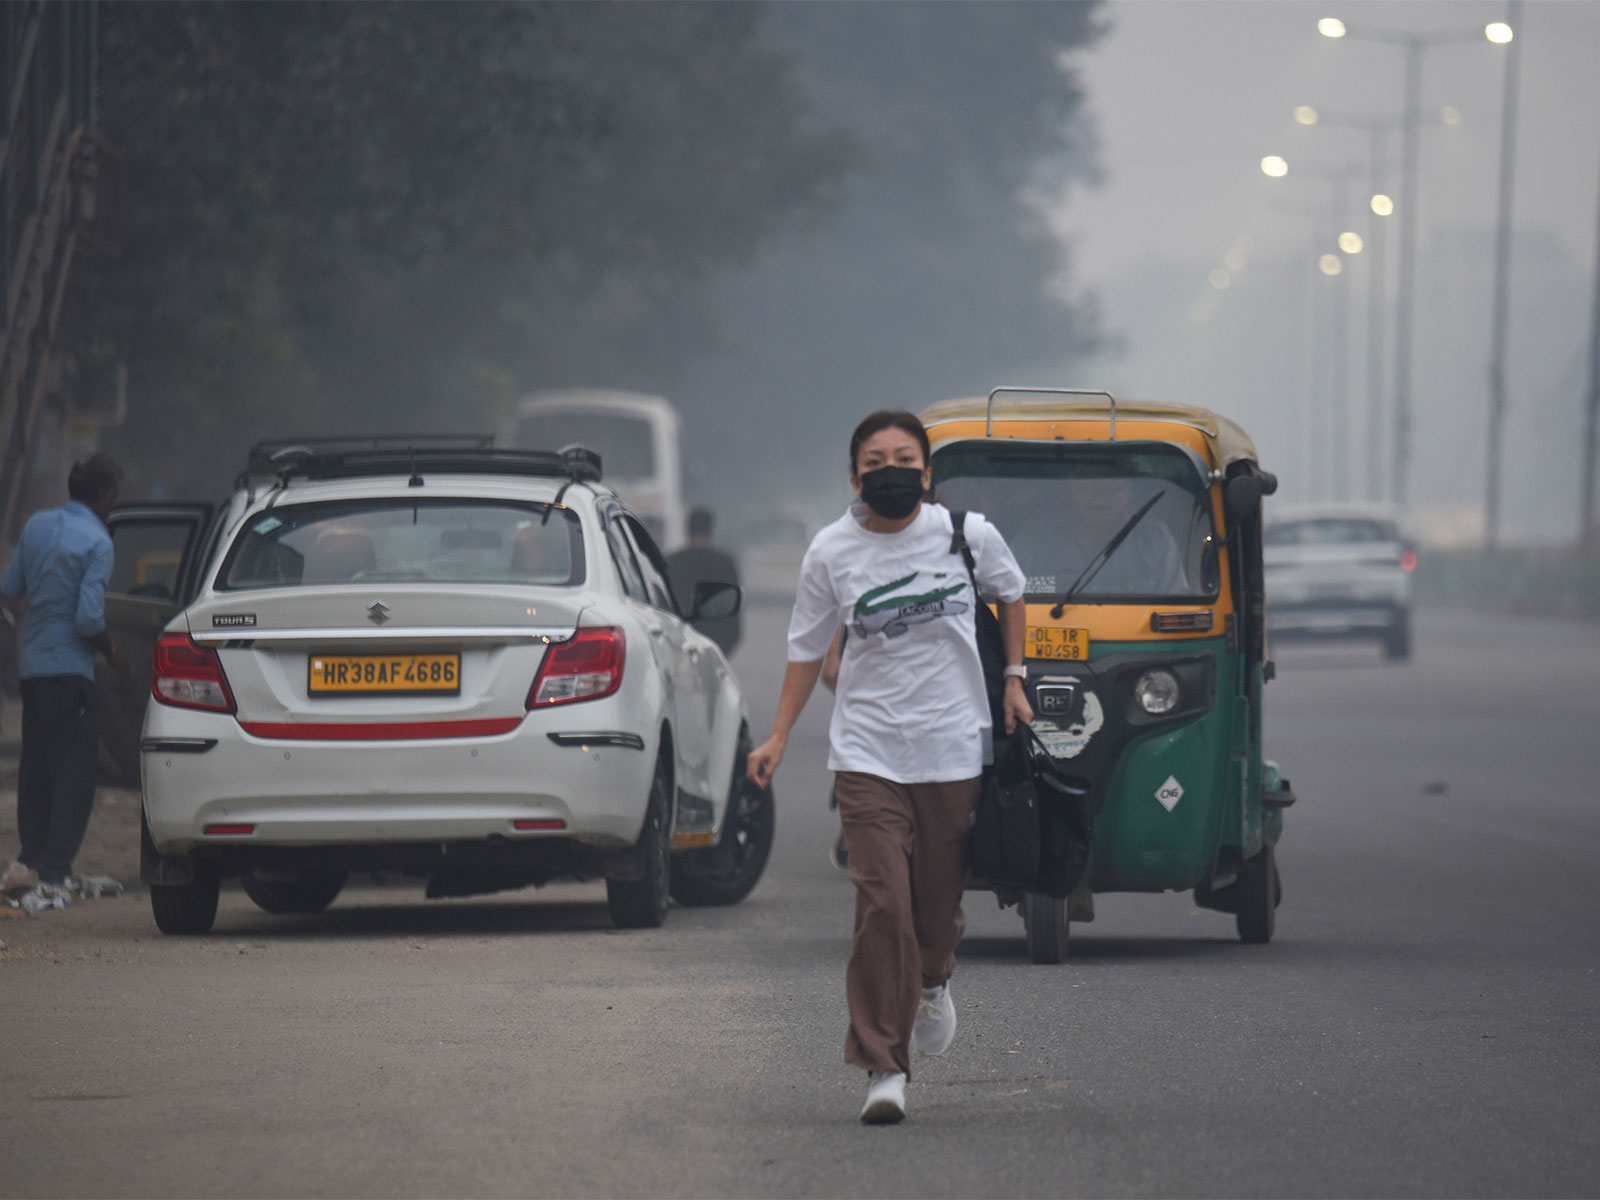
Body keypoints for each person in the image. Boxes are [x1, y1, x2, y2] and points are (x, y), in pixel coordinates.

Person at [747, 410, 1032, 1125]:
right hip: (868, 753)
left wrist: (1015, 676)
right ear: (854, 477)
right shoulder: (831, 552)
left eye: (905, 458)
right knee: (881, 907)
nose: (891, 470)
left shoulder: (966, 536)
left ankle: (934, 980)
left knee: (934, 911)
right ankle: (882, 1063)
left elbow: (1013, 589)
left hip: (951, 748)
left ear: (928, 473)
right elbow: (808, 652)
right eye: (875, 461)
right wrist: (778, 736)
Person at [0, 454, 127, 897]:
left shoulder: (37, 525)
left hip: (33, 668)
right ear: (105, 495)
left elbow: (10, 587)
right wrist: (113, 652)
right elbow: (88, 619)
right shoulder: (98, 541)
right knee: (75, 770)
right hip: (69, 672)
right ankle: (56, 871)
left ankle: (30, 858)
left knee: (37, 767)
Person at [665, 507, 741, 656]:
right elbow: (733, 610)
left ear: (686, 530)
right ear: (711, 531)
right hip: (715, 643)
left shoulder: (672, 563)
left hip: (679, 643)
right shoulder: (724, 563)